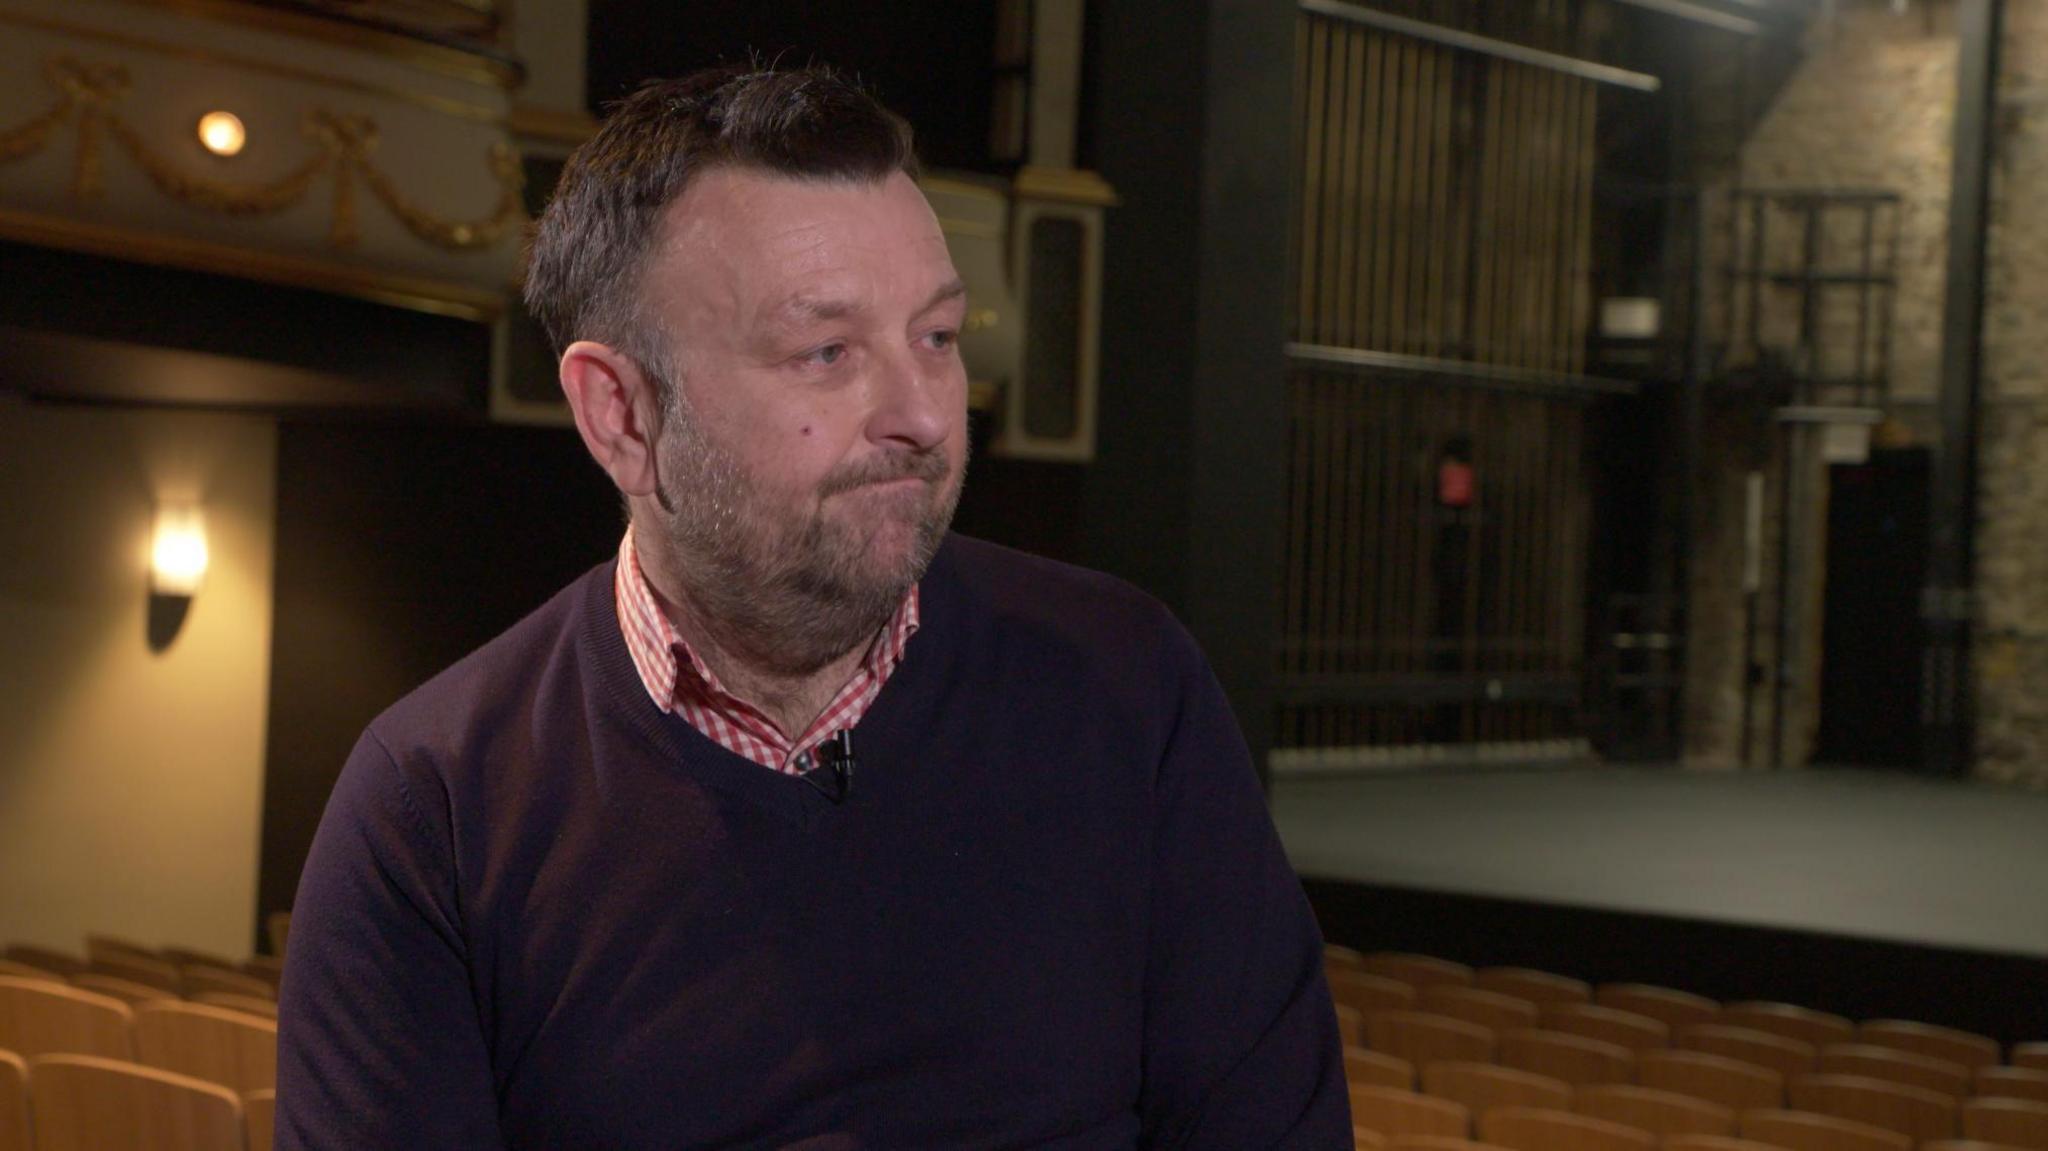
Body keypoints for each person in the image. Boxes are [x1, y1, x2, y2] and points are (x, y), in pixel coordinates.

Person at [276, 64, 1349, 1149]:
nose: (924, 414)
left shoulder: (1128, 684)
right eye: (826, 351)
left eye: (936, 336)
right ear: (620, 414)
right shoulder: (433, 810)